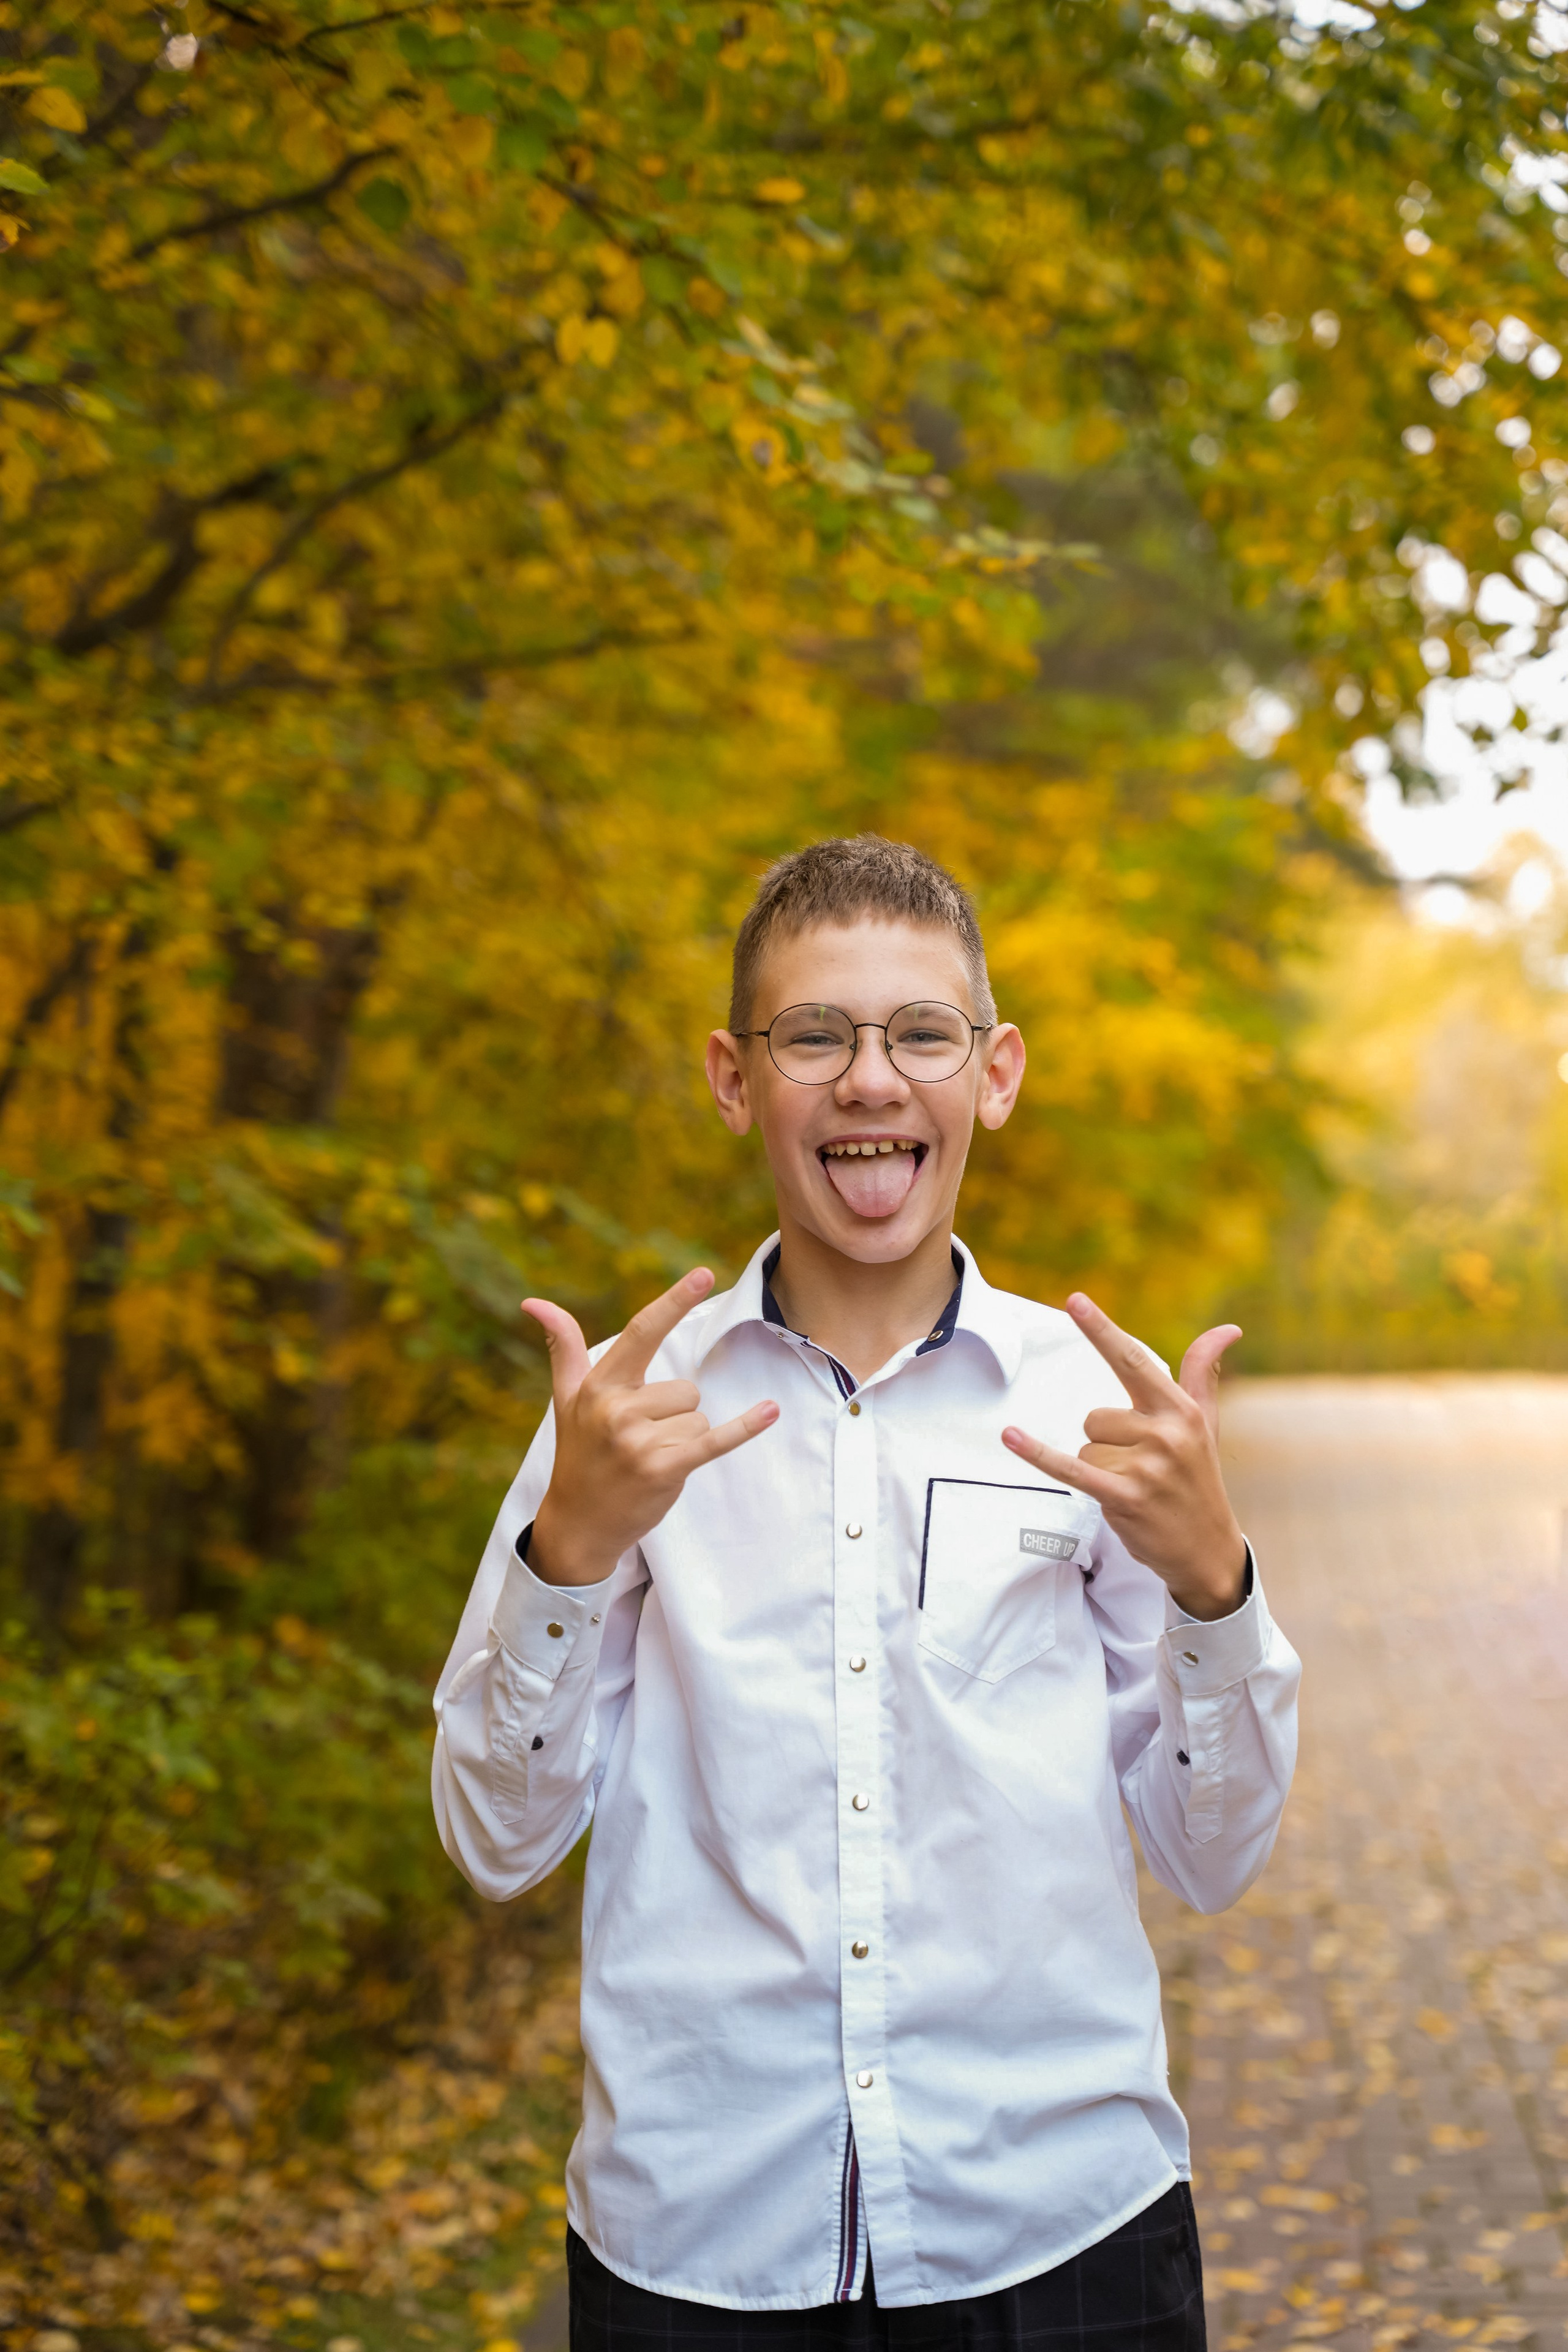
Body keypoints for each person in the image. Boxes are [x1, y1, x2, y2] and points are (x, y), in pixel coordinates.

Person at [432, 835, 1300, 2351]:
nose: (870, 1080)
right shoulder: (624, 1421)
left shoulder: (1092, 1410)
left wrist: (1210, 1583)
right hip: (698, 2247)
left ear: (993, 1072)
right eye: (814, 1036)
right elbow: (494, 1841)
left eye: (920, 1034)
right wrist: (566, 1554)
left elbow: (1211, 1856)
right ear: (733, 1078)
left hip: (1062, 2232)